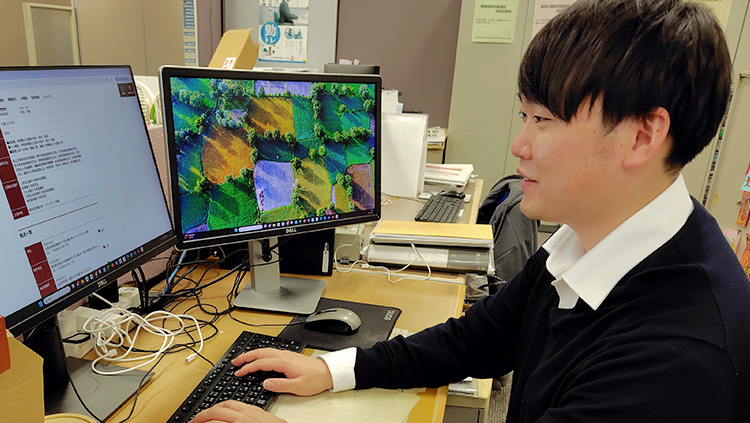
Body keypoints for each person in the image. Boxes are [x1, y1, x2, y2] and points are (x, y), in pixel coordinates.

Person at [192, 0, 750, 421]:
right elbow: (474, 341)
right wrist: (335, 368)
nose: (519, 145)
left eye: (542, 120)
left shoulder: (680, 360)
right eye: (524, 117)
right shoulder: (585, 243)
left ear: (643, 136)